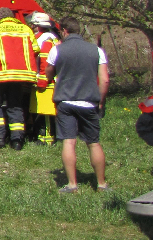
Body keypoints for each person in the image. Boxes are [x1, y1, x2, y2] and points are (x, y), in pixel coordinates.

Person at [45, 16, 110, 193]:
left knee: (69, 142)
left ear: (64, 31)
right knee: (93, 143)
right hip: (89, 101)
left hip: (66, 102)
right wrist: (100, 101)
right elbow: (104, 80)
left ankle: (72, 184)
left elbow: (48, 74)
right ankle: (101, 184)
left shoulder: (57, 50)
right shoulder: (96, 50)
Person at [0, 7, 40, 150]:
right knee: (15, 105)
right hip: (20, 75)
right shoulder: (26, 29)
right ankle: (17, 140)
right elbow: (36, 49)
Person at [27, 12, 60, 145]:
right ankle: (42, 135)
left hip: (47, 82)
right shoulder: (50, 37)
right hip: (47, 80)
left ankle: (47, 138)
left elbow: (45, 62)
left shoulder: (45, 40)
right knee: (41, 110)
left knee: (45, 111)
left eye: (33, 24)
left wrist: (43, 79)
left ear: (38, 25)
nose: (31, 26)